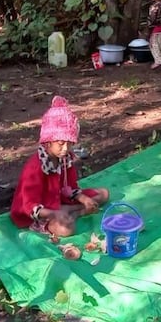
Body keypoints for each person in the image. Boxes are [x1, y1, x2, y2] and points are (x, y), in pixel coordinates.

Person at [10, 96, 110, 237]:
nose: (65, 149)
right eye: (61, 144)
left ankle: (71, 210)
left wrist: (83, 198)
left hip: (60, 201)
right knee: (66, 230)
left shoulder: (64, 158)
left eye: (69, 144)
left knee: (104, 193)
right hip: (43, 209)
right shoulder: (35, 168)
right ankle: (75, 212)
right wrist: (53, 213)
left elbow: (70, 186)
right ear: (48, 142)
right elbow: (28, 206)